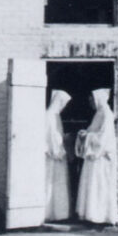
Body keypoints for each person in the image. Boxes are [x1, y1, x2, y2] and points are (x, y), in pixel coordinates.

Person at [75, 88, 117, 224]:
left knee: (98, 186)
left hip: (100, 157)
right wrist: (85, 133)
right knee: (93, 185)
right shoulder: (99, 113)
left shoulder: (105, 113)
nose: (90, 102)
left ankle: (99, 215)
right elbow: (94, 131)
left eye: (92, 99)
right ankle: (91, 214)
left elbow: (103, 138)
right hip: (94, 157)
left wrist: (87, 136)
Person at [45, 90, 72, 222]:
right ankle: (50, 213)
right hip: (53, 156)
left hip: (58, 154)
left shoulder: (55, 115)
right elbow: (51, 137)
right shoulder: (50, 115)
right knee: (52, 184)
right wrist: (58, 150)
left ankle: (59, 213)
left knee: (58, 185)